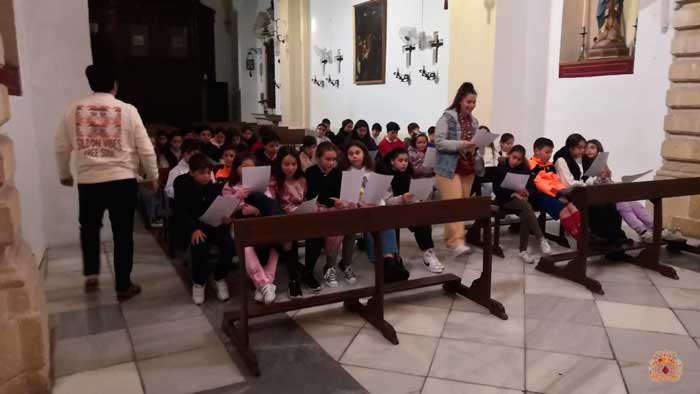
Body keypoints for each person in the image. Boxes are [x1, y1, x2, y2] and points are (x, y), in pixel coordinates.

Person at [55, 64, 157, 301]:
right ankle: (123, 286)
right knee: (123, 234)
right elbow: (146, 149)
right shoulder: (127, 110)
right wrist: (153, 176)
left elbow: (61, 146)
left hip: (89, 182)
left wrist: (64, 175)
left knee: (89, 228)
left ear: (90, 84)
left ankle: (91, 274)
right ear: (115, 85)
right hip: (122, 181)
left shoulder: (74, 110)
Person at [585, 139, 680, 244]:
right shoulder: (584, 164)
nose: (589, 150)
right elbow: (586, 183)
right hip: (597, 198)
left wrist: (615, 183)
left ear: (599, 149)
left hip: (609, 193)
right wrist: (596, 179)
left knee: (635, 204)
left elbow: (607, 183)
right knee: (623, 204)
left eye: (592, 147)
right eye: (587, 148)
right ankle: (642, 232)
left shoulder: (603, 164)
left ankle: (658, 229)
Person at [338, 141, 403, 283]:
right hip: (356, 211)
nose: (355, 156)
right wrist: (359, 204)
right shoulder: (345, 174)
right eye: (351, 154)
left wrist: (401, 198)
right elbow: (345, 198)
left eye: (357, 153)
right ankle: (386, 263)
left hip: (377, 208)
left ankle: (389, 261)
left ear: (364, 154)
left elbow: (386, 197)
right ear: (346, 156)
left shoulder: (373, 173)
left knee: (386, 221)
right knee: (372, 223)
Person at [173, 154, 233, 305]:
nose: (206, 176)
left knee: (229, 244)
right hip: (192, 226)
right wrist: (194, 229)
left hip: (212, 225)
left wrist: (226, 218)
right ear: (192, 172)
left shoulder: (213, 187)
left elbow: (218, 208)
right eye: (201, 173)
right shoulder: (182, 183)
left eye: (208, 173)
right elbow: (181, 210)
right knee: (200, 245)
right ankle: (199, 282)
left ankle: (220, 278)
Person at [223, 155, 281, 304]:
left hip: (260, 222)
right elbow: (224, 211)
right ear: (237, 168)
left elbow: (269, 207)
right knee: (247, 247)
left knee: (274, 244)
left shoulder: (262, 185)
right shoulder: (230, 185)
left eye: (251, 167)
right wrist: (238, 196)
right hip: (240, 224)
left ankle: (264, 283)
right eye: (244, 166)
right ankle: (264, 284)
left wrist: (257, 211)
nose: (247, 170)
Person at [377, 148, 444, 273]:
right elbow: (387, 201)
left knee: (421, 219)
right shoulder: (385, 176)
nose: (404, 163)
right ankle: (396, 258)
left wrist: (422, 194)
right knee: (417, 217)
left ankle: (428, 253)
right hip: (390, 211)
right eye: (400, 160)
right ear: (392, 161)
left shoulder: (408, 174)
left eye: (406, 161)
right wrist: (402, 199)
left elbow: (416, 194)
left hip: (408, 208)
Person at [553, 133, 628, 245]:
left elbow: (586, 177)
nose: (583, 151)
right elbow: (568, 184)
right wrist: (589, 182)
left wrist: (597, 177)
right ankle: (602, 237)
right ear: (570, 148)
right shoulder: (561, 159)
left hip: (585, 190)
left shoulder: (581, 158)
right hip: (571, 194)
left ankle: (615, 235)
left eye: (584, 147)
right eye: (580, 148)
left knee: (611, 203)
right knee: (598, 206)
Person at [434, 82, 479, 255]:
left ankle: (449, 239)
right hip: (449, 167)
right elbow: (439, 142)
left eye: (474, 102)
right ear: (460, 100)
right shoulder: (446, 119)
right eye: (469, 102)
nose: (471, 105)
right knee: (456, 205)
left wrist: (479, 144)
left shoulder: (474, 121)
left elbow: (474, 141)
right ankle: (458, 241)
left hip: (467, 167)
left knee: (461, 203)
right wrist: (461, 144)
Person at [492, 145, 552, 263]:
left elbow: (532, 186)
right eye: (514, 157)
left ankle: (523, 250)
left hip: (520, 200)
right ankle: (541, 239)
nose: (516, 161)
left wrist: (527, 192)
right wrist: (512, 194)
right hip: (504, 200)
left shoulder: (524, 169)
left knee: (526, 213)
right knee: (526, 207)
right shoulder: (501, 168)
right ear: (509, 155)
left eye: (519, 159)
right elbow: (496, 189)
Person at [304, 142, 350, 290]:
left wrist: (341, 202)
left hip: (333, 211)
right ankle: (308, 272)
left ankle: (330, 266)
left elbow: (340, 195)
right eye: (327, 159)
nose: (331, 163)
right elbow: (311, 195)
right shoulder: (311, 172)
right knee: (314, 238)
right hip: (316, 211)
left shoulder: (338, 173)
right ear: (319, 158)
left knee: (339, 229)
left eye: (334, 159)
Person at [267, 147, 308, 298]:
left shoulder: (302, 179)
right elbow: (272, 203)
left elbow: (304, 199)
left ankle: (307, 271)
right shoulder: (275, 181)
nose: (290, 168)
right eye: (286, 164)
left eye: (293, 164)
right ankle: (293, 279)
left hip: (300, 216)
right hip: (282, 218)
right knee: (290, 237)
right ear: (280, 164)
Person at [528, 138, 581, 239]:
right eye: (547, 152)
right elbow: (540, 184)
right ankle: (579, 237)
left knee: (572, 205)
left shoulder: (550, 165)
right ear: (536, 151)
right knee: (563, 209)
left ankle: (583, 231)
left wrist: (562, 192)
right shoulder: (531, 165)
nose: (549, 155)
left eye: (551, 152)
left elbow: (556, 181)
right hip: (538, 195)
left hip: (553, 193)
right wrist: (557, 194)